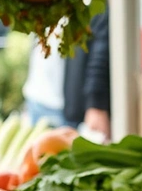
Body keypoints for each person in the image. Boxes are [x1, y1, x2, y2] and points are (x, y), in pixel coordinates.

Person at [22, 9, 111, 139]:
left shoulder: (90, 1)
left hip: (68, 111)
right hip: (36, 100)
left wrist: (96, 104)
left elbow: (100, 55)